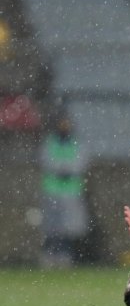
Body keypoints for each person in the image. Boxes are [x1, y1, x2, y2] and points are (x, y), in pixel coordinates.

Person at [40, 113, 89, 267]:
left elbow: (81, 163)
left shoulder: (76, 143)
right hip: (52, 189)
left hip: (71, 190)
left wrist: (64, 168)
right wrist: (63, 168)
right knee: (52, 225)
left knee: (69, 226)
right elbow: (46, 160)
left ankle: (65, 255)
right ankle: (50, 254)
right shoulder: (51, 142)